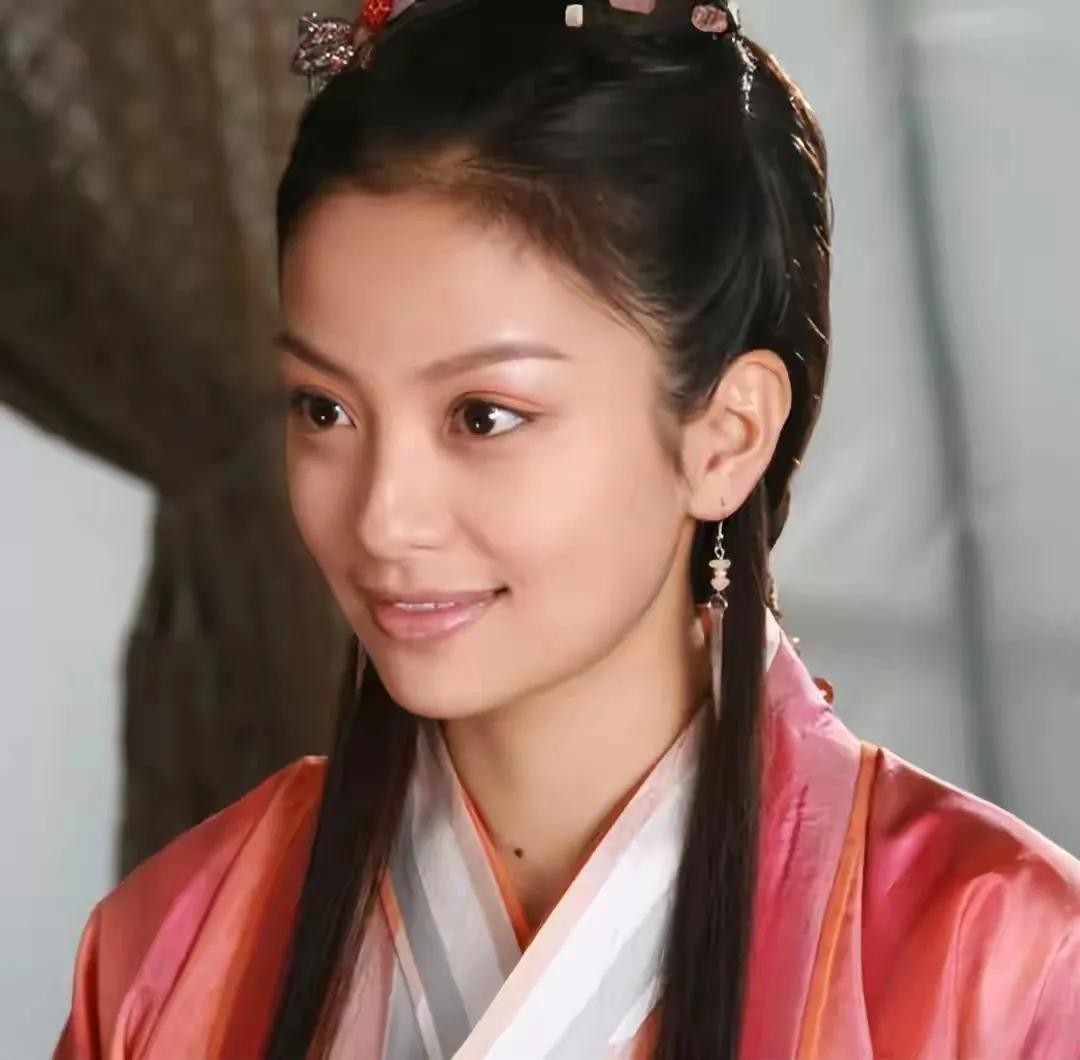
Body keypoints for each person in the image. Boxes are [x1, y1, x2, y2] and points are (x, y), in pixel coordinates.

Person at [55, 1, 1080, 1057]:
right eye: (325, 409)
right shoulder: (174, 942)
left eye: (484, 416)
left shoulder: (1003, 959)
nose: (381, 515)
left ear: (724, 438)